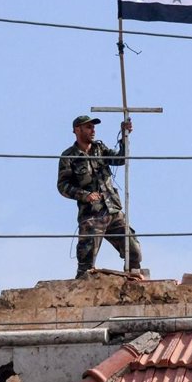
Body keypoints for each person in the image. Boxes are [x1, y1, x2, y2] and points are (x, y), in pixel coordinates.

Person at [57, 115, 142, 278]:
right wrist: (85, 195)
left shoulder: (99, 149)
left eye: (93, 127)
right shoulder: (69, 157)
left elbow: (120, 159)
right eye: (88, 127)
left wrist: (125, 137)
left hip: (112, 210)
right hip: (92, 215)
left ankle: (134, 281)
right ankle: (82, 291)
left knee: (134, 251)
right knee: (86, 263)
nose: (93, 130)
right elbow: (63, 186)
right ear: (77, 130)